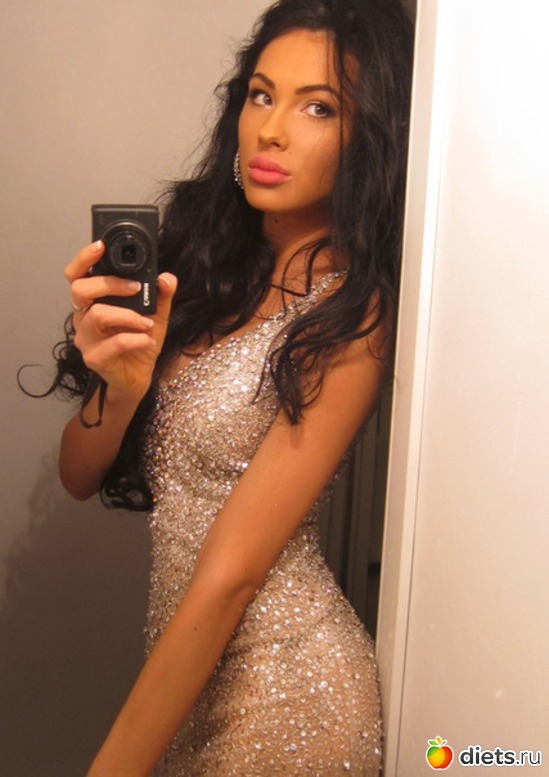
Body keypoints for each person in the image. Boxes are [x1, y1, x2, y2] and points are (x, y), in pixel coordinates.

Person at [52, 0, 412, 773]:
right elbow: (77, 474)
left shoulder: (356, 311)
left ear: (368, 137)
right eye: (260, 94)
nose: (270, 130)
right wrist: (120, 386)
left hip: (289, 696)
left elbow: (231, 575)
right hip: (185, 680)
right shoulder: (201, 266)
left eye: (318, 107)